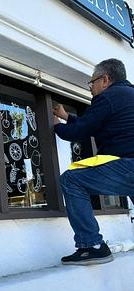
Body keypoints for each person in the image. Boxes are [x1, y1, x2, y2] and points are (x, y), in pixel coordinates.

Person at [53, 58, 134, 265]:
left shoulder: (108, 97)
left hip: (128, 166)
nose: (91, 88)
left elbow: (80, 131)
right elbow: (93, 122)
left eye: (92, 82)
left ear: (105, 79)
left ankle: (92, 245)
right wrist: (67, 116)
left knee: (71, 180)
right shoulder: (127, 96)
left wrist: (57, 126)